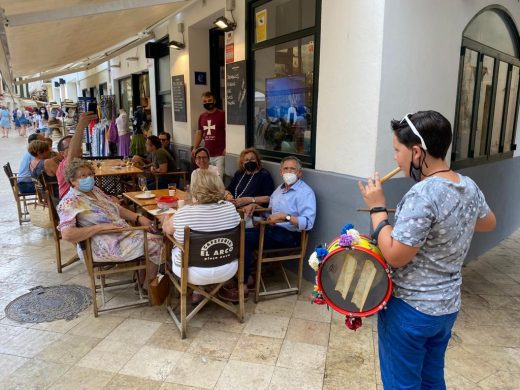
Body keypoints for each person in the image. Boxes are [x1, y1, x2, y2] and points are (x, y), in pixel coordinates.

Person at [357, 110, 496, 389]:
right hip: (446, 308)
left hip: (411, 309)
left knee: (403, 384)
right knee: (432, 380)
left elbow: (395, 256)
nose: (395, 158)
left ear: (417, 152)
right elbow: (488, 222)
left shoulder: (422, 193)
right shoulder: (467, 186)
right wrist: (450, 224)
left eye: (397, 150)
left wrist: (377, 209)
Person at [219, 155, 316, 302]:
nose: (289, 172)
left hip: (289, 236)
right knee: (237, 232)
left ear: (299, 173)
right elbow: (271, 210)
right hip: (271, 230)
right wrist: (255, 206)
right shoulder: (279, 189)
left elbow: (308, 222)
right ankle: (247, 278)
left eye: (293, 169)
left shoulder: (305, 192)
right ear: (281, 172)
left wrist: (286, 217)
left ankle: (243, 287)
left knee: (245, 238)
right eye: (286, 169)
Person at [57, 159, 163, 289]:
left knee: (154, 234)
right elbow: (67, 234)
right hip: (103, 244)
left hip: (120, 234)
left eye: (90, 174)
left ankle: (141, 281)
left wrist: (138, 217)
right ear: (72, 180)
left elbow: (116, 208)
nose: (89, 178)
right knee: (157, 243)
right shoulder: (70, 202)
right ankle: (149, 287)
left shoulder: (94, 191)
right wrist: (100, 227)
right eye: (83, 176)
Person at [162, 169, 240, 305]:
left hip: (191, 272)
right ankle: (200, 291)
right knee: (196, 249)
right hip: (228, 268)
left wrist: (165, 218)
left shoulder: (185, 213)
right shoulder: (230, 208)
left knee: (176, 246)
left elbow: (167, 230)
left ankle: (193, 292)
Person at [56, 112, 99, 198]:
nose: (77, 147)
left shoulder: (80, 164)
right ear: (62, 153)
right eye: (71, 146)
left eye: (77, 143)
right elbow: (73, 155)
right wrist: (80, 126)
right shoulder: (65, 165)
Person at [224, 148, 275, 216]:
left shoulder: (264, 175)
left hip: (251, 212)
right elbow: (227, 190)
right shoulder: (239, 173)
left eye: (252, 159)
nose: (250, 162)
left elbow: (269, 198)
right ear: (242, 163)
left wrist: (249, 200)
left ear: (257, 161)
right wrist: (228, 196)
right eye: (246, 160)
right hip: (234, 209)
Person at [193, 91, 226, 179]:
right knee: (206, 179)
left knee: (218, 179)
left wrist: (227, 148)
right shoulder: (202, 117)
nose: (208, 103)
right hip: (207, 154)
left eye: (209, 100)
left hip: (220, 153)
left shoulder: (222, 115)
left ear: (214, 101)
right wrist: (195, 148)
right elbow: (199, 133)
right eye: (205, 101)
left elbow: (228, 132)